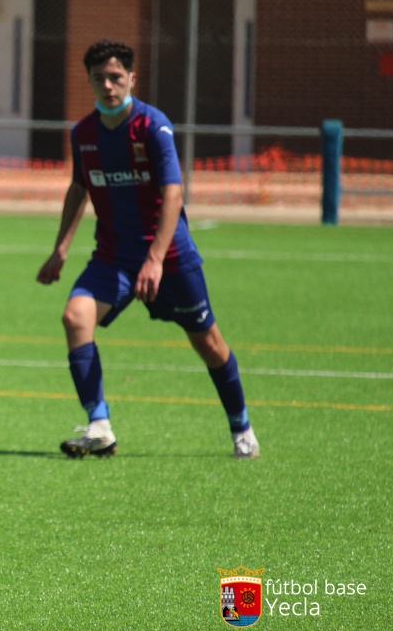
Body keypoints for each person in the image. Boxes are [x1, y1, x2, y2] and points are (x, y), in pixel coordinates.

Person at [36, 39, 259, 459]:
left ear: (132, 78)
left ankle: (241, 427)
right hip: (113, 257)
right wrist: (60, 248)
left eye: (116, 76)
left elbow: (173, 193)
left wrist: (155, 259)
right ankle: (99, 425)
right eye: (99, 78)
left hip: (171, 257)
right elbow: (79, 187)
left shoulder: (153, 126)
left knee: (208, 342)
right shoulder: (82, 133)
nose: (108, 84)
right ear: (89, 81)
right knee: (75, 315)